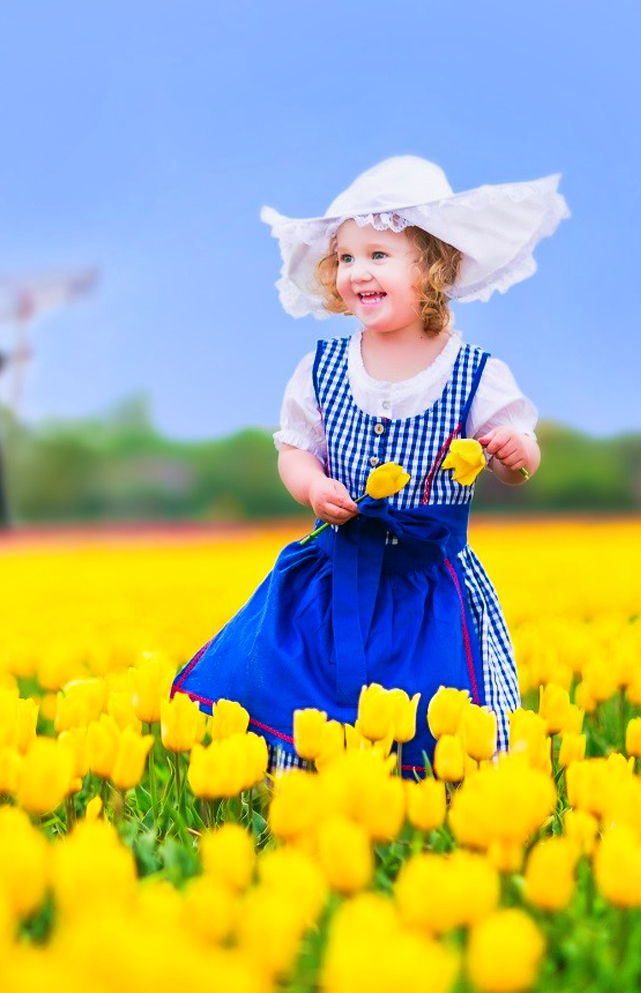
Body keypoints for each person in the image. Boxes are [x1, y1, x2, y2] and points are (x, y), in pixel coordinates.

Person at [171, 155, 568, 774]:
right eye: (347, 258)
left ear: (433, 267)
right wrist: (312, 486)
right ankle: (314, 794)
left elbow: (515, 453)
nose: (359, 272)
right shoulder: (322, 369)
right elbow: (295, 450)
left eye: (379, 255)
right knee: (308, 693)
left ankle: (433, 803)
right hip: (333, 577)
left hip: (427, 583)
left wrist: (516, 456)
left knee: (437, 711)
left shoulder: (475, 373)